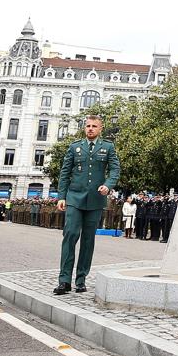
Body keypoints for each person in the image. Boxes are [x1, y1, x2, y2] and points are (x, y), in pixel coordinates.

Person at [54, 115, 121, 295]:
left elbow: (115, 169)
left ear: (100, 128)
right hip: (74, 198)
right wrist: (61, 196)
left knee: (88, 240)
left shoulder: (107, 147)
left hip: (95, 200)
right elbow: (65, 172)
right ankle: (64, 280)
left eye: (94, 126)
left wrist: (108, 185)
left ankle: (81, 279)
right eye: (88, 126)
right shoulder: (75, 147)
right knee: (70, 235)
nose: (90, 128)